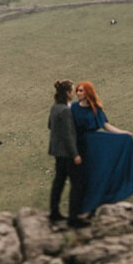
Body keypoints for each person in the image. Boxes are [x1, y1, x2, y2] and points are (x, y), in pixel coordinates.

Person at [71, 80, 133, 216]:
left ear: (88, 92)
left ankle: (93, 208)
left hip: (95, 144)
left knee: (97, 175)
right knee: (83, 177)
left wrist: (123, 133)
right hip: (80, 144)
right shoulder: (74, 108)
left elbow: (106, 126)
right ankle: (81, 210)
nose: (78, 93)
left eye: (81, 90)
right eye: (77, 90)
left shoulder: (95, 108)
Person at [47, 79, 86, 226]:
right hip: (67, 153)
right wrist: (75, 154)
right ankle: (73, 218)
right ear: (68, 93)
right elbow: (68, 135)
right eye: (73, 90)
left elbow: (50, 125)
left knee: (59, 181)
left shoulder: (55, 107)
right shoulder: (65, 110)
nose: (75, 93)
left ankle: (54, 213)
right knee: (77, 184)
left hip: (57, 151)